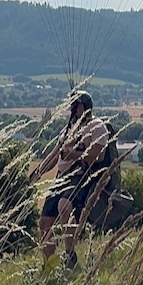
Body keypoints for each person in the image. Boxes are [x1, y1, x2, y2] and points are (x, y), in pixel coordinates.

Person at [37, 91, 111, 268]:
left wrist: (75, 155)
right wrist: (38, 172)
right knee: (45, 222)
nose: (73, 109)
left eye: (76, 105)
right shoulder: (68, 130)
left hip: (81, 176)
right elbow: (56, 155)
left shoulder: (97, 126)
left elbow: (98, 155)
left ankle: (69, 255)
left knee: (64, 206)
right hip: (62, 178)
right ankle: (48, 266)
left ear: (85, 107)